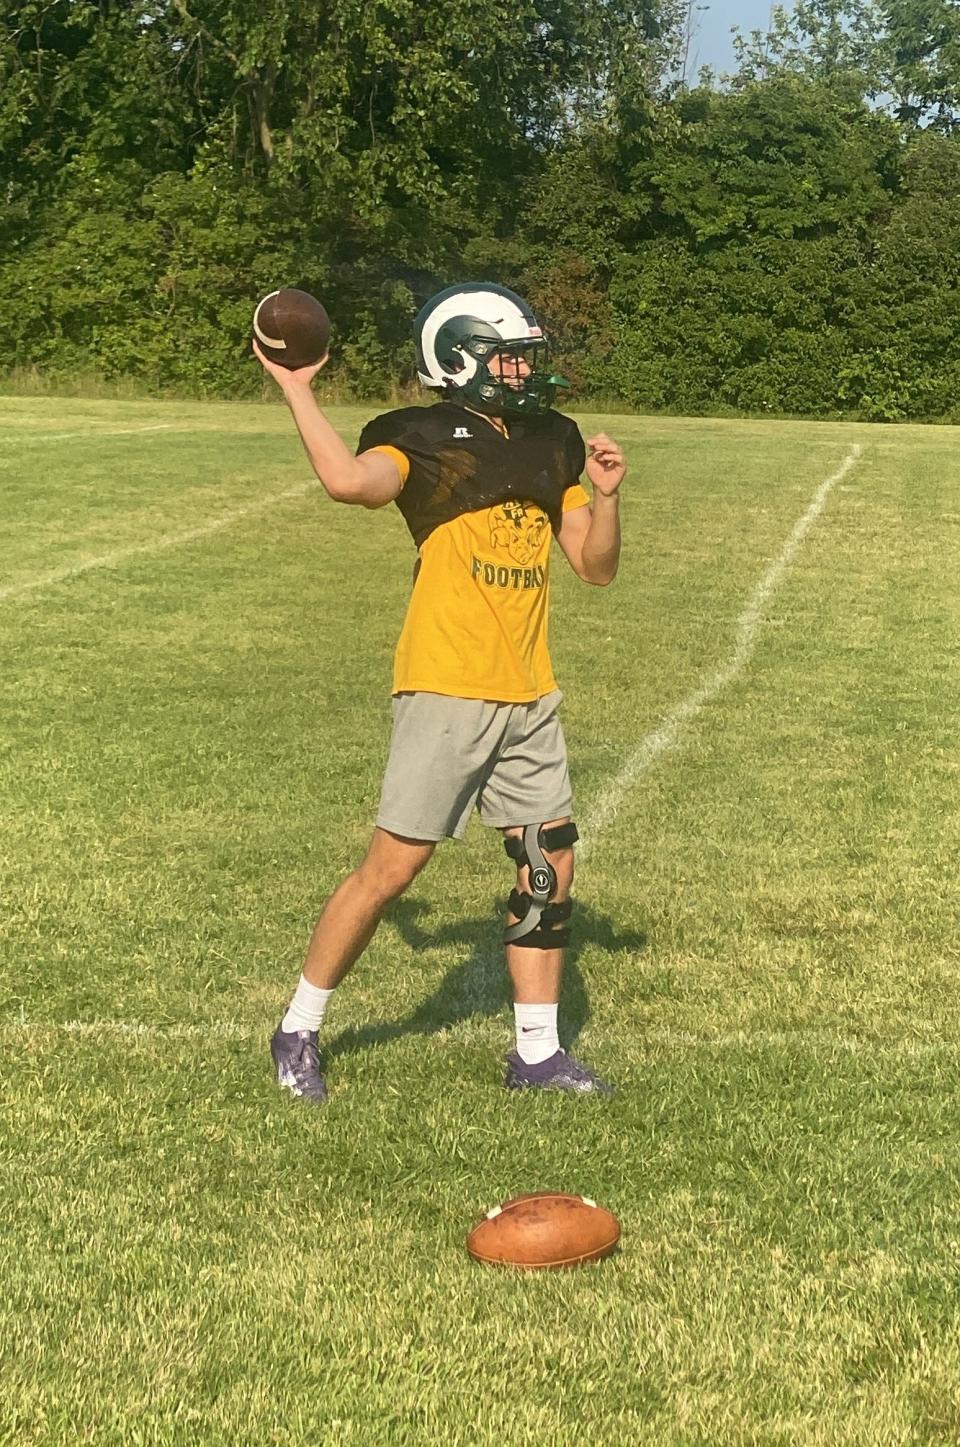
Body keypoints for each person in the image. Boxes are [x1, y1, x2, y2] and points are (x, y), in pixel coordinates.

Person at [254, 282, 626, 1103]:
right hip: (448, 683)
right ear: (457, 354)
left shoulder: (550, 441)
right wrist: (298, 389)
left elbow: (594, 567)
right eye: (506, 352)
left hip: (529, 688)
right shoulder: (418, 437)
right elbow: (352, 483)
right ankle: (300, 1024)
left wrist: (605, 497)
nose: (520, 367)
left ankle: (535, 1051)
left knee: (546, 863)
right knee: (393, 868)